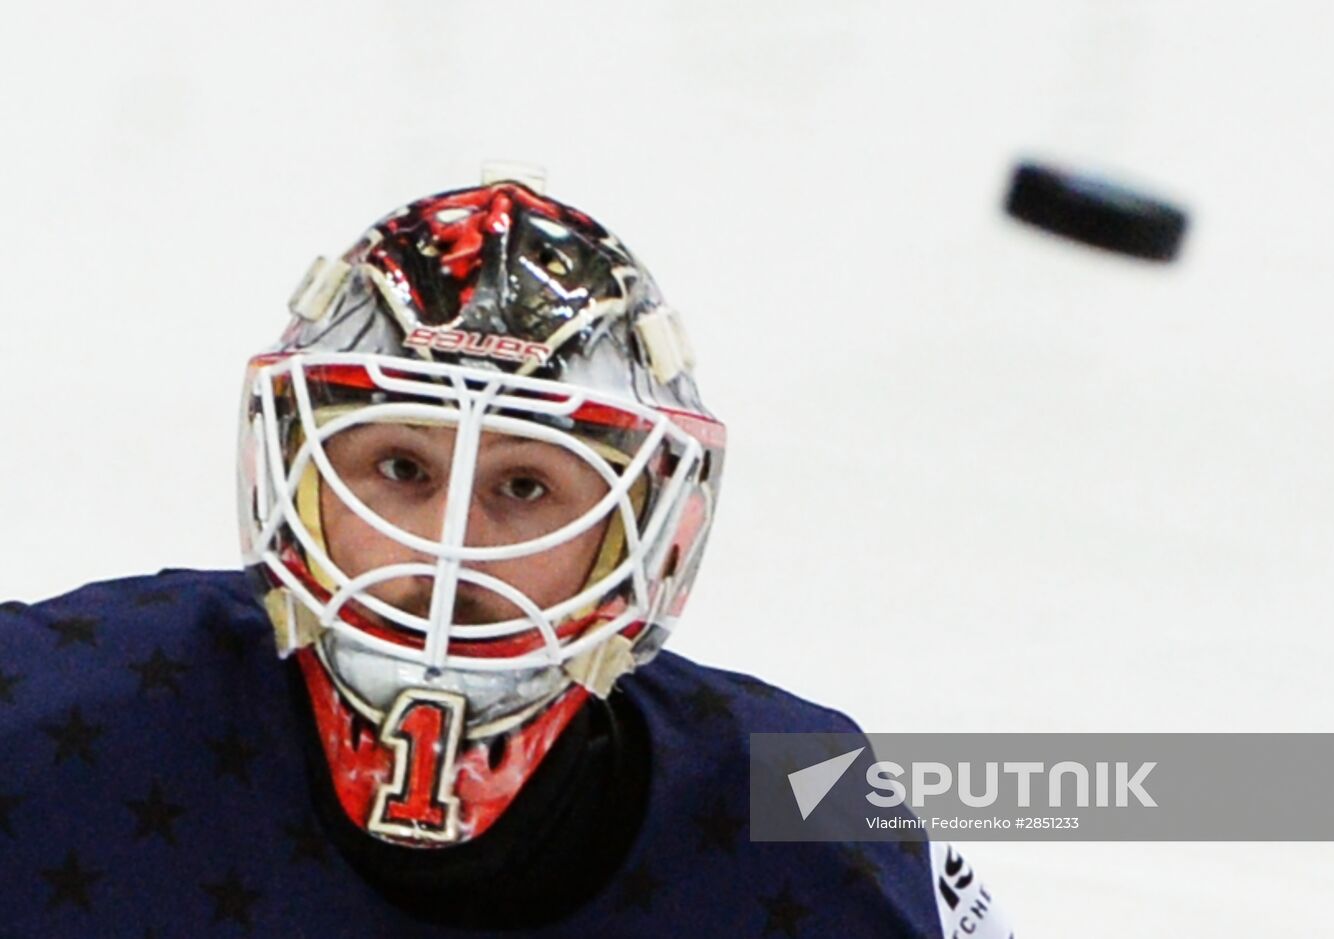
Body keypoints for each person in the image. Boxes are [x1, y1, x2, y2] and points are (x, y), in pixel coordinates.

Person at [0, 174, 1014, 937]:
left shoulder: (823, 829)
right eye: (399, 466)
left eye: (524, 487)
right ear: (293, 480)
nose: (447, 549)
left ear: (649, 533)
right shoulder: (42, 728)